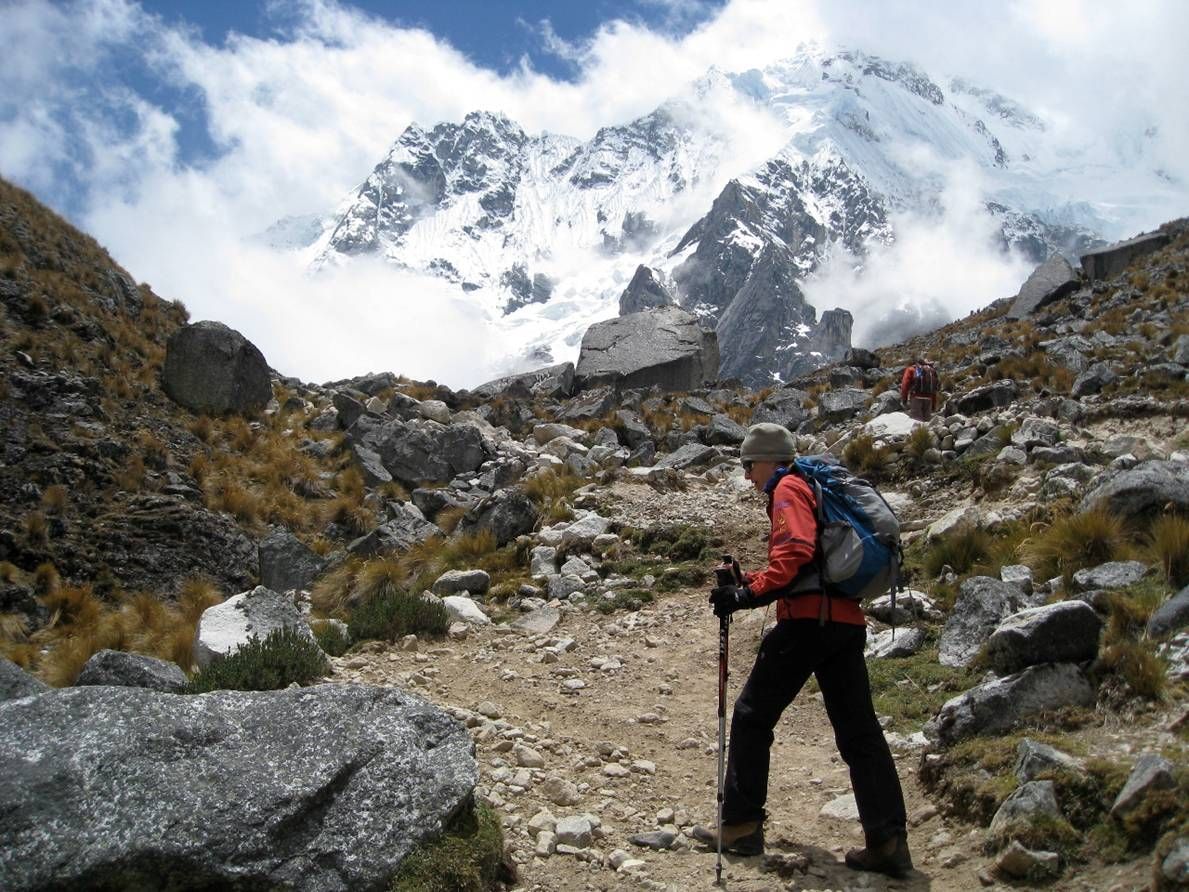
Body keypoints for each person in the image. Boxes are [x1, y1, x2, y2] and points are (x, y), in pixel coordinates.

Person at [691, 422, 912, 878]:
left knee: (752, 715)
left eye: (750, 465)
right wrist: (748, 581)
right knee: (859, 732)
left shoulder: (788, 487)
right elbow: (805, 563)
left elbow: (793, 557)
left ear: (770, 459)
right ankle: (887, 840)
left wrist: (746, 596)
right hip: (844, 623)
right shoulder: (811, 486)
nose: (748, 475)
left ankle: (741, 825)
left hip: (808, 623)